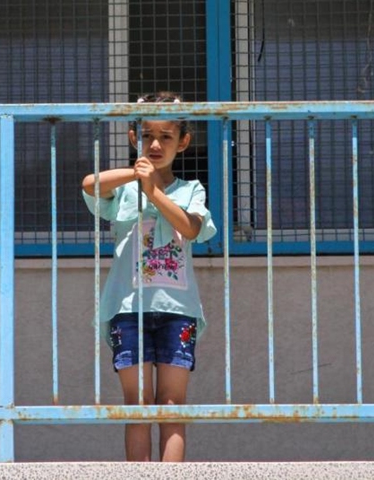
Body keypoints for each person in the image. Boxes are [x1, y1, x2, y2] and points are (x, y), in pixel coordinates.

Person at [81, 91, 217, 462]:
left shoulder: (191, 190)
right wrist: (138, 175)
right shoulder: (124, 188)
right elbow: (90, 184)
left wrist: (154, 190)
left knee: (171, 403)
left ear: (183, 142)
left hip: (177, 309)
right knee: (137, 403)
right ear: (134, 138)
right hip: (128, 309)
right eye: (147, 136)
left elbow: (191, 228)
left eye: (166, 136)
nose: (155, 144)